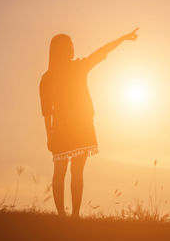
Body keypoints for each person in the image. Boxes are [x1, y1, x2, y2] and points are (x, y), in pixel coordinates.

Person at [39, 28, 139, 217]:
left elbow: (102, 51)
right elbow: (46, 111)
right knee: (66, 172)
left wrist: (122, 38)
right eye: (69, 46)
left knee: (69, 172)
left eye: (72, 45)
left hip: (74, 127)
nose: (72, 49)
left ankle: (69, 215)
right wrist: (49, 135)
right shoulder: (61, 73)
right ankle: (67, 215)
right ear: (61, 50)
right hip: (71, 128)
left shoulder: (51, 76)